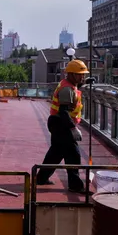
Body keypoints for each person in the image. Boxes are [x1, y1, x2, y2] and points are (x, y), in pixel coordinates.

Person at [36, 59, 90, 192]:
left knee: (56, 153)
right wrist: (73, 128)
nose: (82, 77)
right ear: (71, 74)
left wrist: (85, 83)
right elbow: (64, 111)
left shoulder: (70, 85)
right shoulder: (67, 89)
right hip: (61, 124)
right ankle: (75, 186)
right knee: (73, 155)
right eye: (79, 74)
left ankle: (41, 178)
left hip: (57, 123)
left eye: (83, 75)